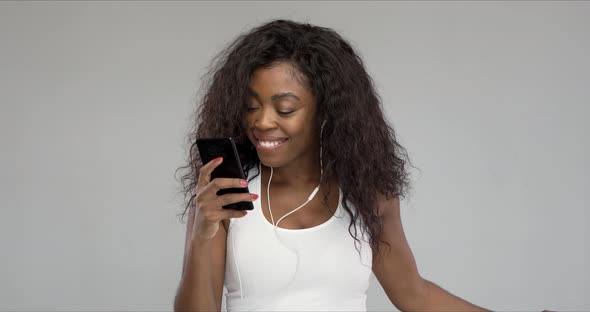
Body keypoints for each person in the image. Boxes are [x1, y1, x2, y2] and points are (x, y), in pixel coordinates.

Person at [174, 19, 491, 311]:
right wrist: (203, 232)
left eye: (284, 109)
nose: (261, 121)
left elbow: (414, 294)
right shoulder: (224, 195)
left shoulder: (369, 194)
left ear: (326, 112)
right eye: (251, 106)